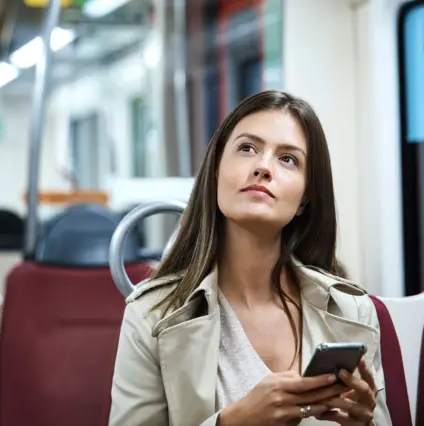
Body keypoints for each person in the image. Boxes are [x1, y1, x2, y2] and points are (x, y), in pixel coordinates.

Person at [109, 90, 391, 426]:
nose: (262, 167)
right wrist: (229, 423)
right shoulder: (151, 316)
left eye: (288, 159)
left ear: (304, 199)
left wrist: (367, 423)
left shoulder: (352, 310)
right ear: (215, 173)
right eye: (247, 148)